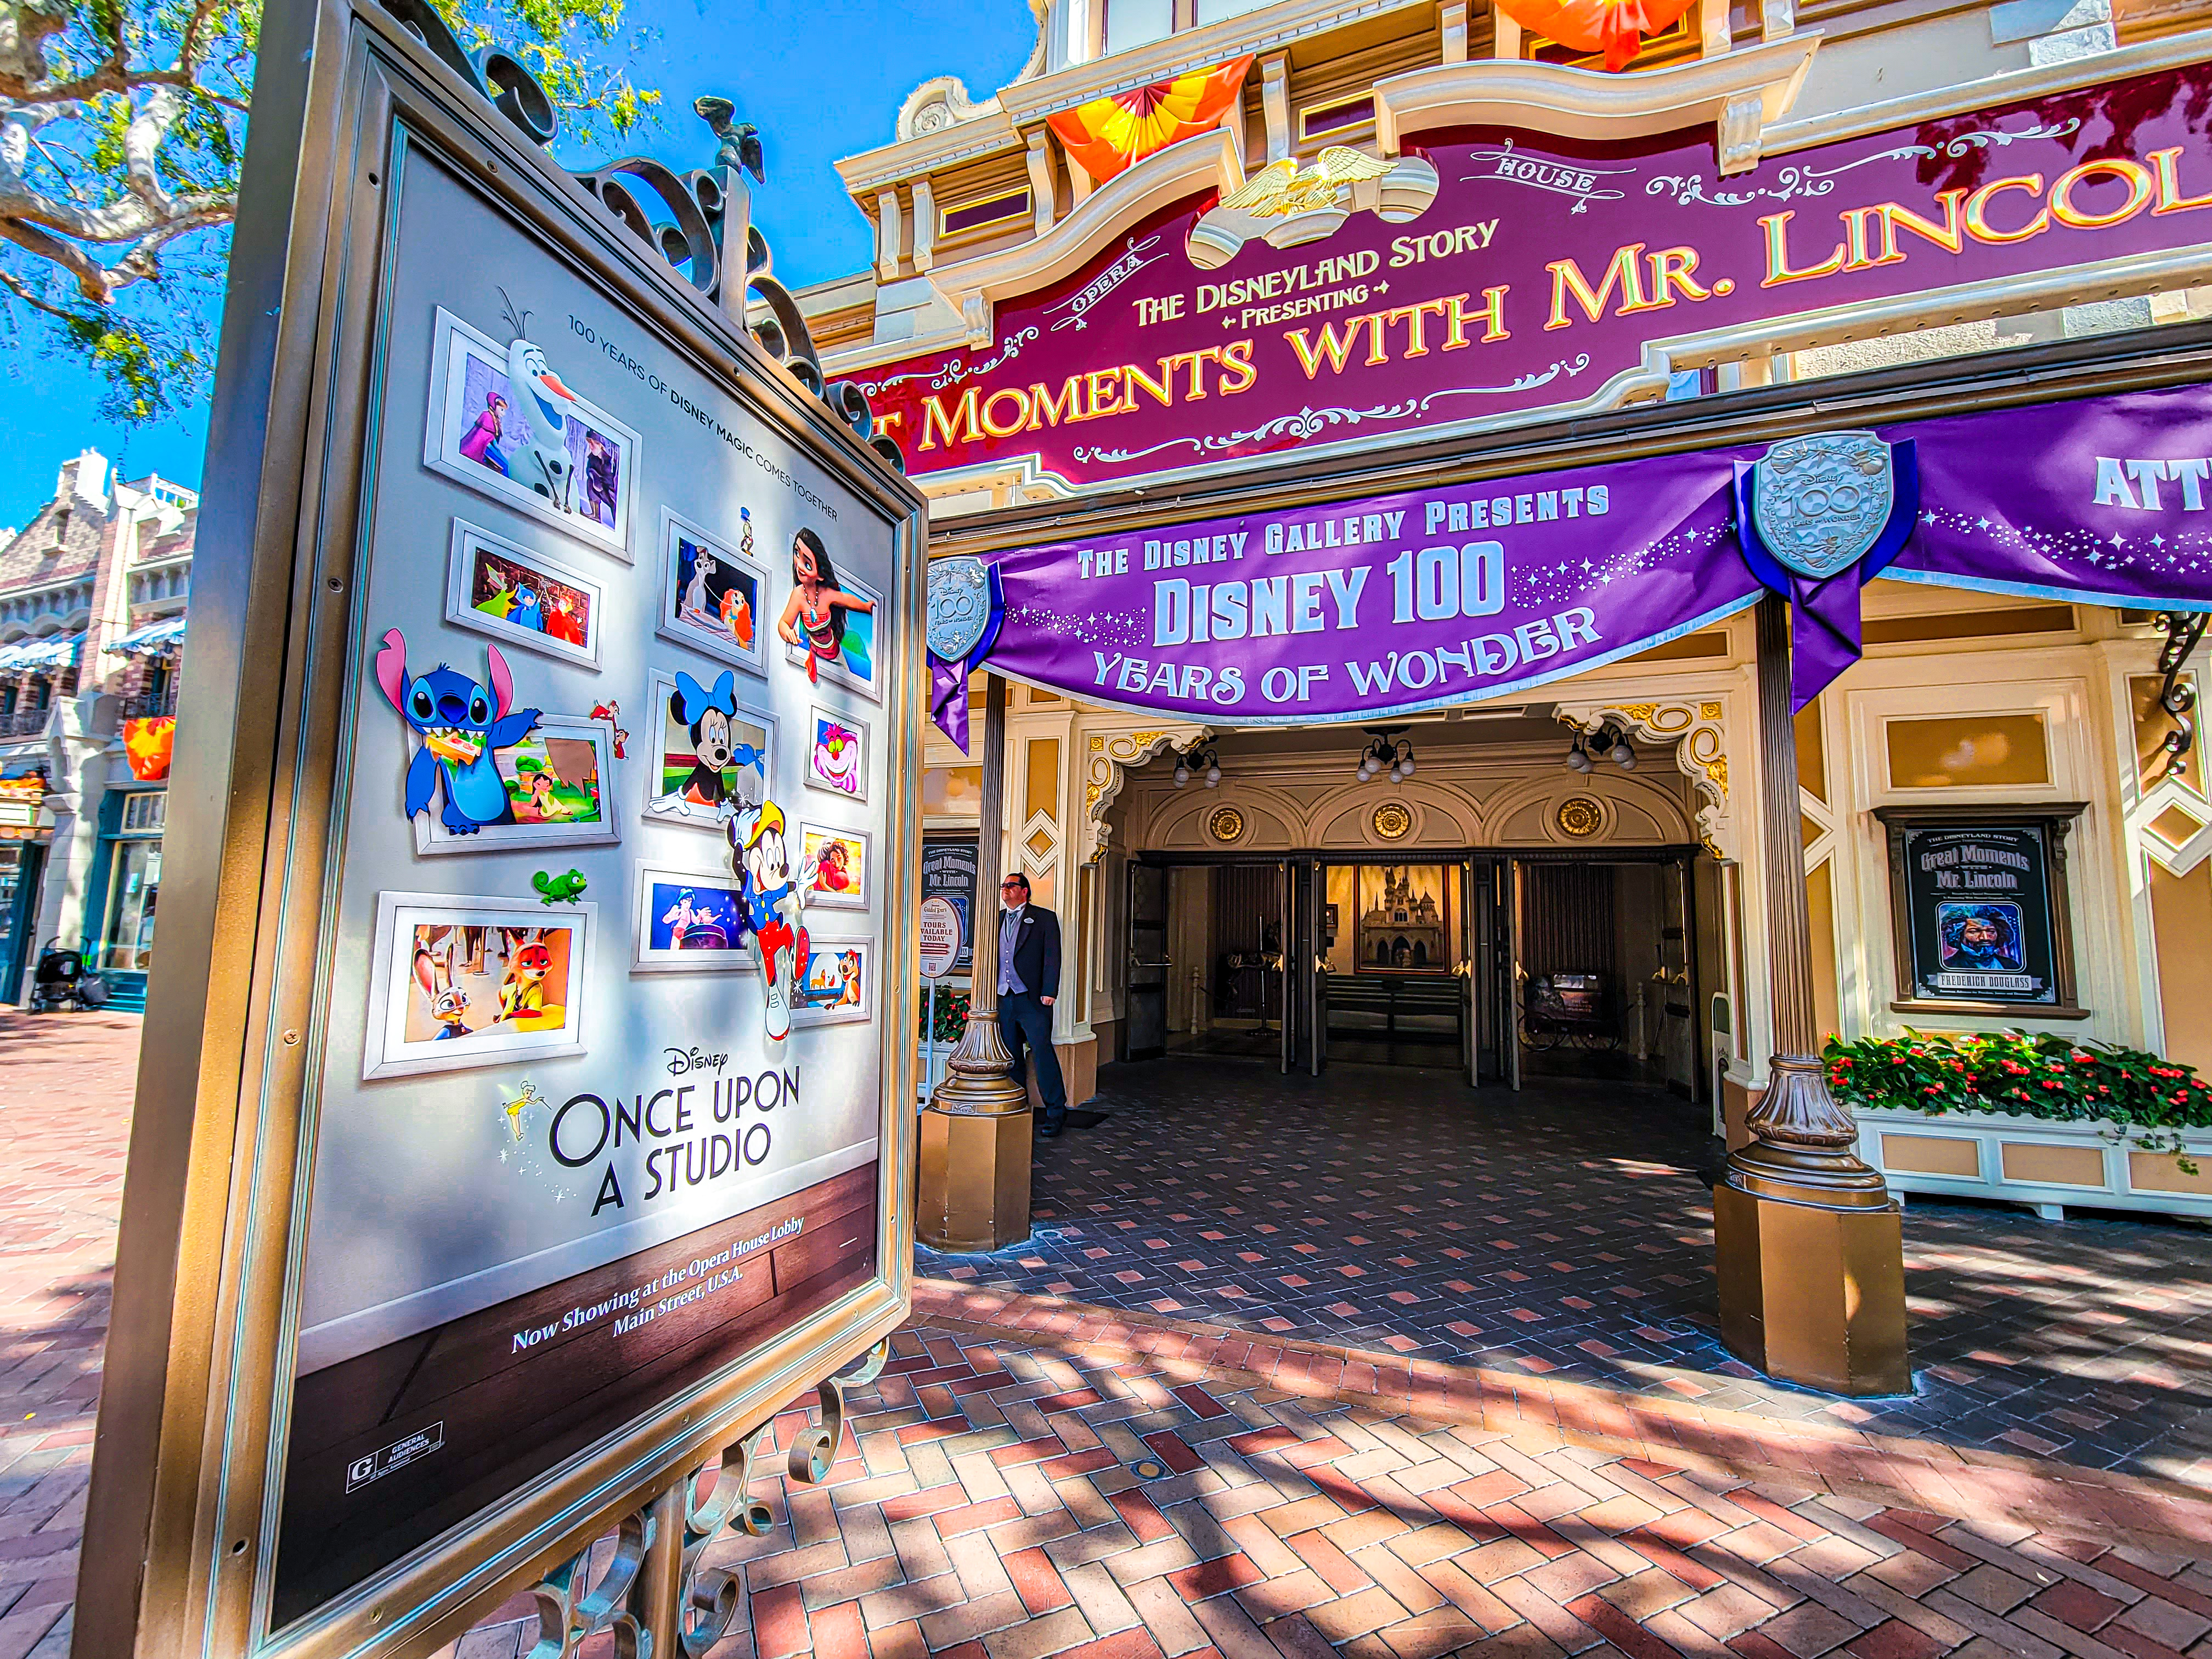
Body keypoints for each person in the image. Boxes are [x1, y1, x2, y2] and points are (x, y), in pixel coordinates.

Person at [995, 871, 1068, 1138]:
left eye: (1011, 886)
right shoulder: (996, 919)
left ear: (1025, 890)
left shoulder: (1044, 918)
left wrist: (1050, 990)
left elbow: (1052, 957)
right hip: (1004, 998)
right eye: (1003, 886)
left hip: (1033, 999)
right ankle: (1018, 1110)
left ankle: (1056, 1113)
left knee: (1042, 1052)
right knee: (1011, 1056)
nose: (1005, 890)